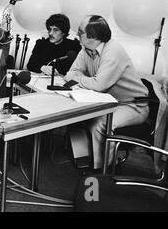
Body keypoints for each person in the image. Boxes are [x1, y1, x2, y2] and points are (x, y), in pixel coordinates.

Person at [64, 15, 149, 171]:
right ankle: (92, 161)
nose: (77, 34)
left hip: (133, 105)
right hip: (110, 103)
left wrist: (81, 79)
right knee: (81, 118)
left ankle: (104, 170)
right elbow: (71, 73)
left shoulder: (113, 50)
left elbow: (99, 85)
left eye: (81, 32)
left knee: (100, 124)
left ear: (93, 37)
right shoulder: (86, 50)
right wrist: (86, 79)